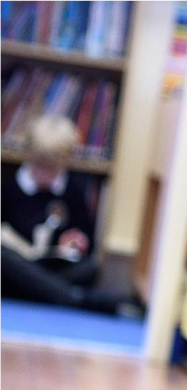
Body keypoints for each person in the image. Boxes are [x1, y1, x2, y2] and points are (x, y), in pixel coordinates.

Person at [0, 115, 139, 316]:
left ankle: (47, 293)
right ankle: (76, 298)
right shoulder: (9, 188)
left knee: (88, 268)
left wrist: (77, 241)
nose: (45, 173)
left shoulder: (72, 192)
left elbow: (86, 237)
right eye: (40, 165)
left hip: (50, 268)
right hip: (18, 266)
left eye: (52, 167)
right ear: (28, 156)